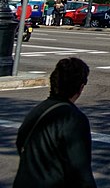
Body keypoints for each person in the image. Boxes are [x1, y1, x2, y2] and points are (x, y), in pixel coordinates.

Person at [14, 57, 96, 188]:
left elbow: (20, 143)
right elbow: (80, 170)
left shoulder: (37, 111)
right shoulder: (74, 119)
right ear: (80, 88)